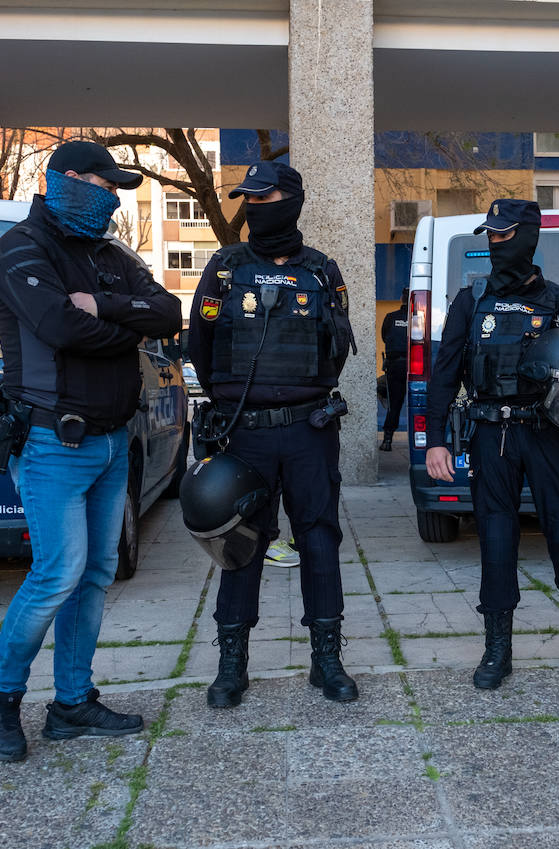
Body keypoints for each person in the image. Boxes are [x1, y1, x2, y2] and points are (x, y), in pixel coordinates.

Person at [0, 140, 183, 761]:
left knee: (95, 575)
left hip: (112, 441)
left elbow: (169, 312)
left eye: (117, 187)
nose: (112, 196)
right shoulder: (20, 250)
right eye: (103, 183)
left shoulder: (110, 255)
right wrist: (125, 324)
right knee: (57, 575)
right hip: (51, 441)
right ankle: (1, 696)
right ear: (65, 178)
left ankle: (71, 703)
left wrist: (108, 307)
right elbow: (61, 327)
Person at [424, 198, 559, 690]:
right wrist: (434, 441)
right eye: (490, 234)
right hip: (490, 434)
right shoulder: (472, 300)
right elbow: (443, 373)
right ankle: (497, 646)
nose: (495, 242)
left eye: (505, 234)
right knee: (495, 538)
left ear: (529, 236)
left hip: (546, 432)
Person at [186, 160, 358, 708]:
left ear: (291, 201)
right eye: (248, 200)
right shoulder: (225, 268)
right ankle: (231, 664)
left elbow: (336, 349)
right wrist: (233, 402)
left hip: (309, 430)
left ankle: (326, 659)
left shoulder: (323, 272)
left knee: (319, 540)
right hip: (245, 432)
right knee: (241, 545)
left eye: (264, 199)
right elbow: (201, 344)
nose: (254, 209)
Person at [379, 291, 409, 451]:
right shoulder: (419, 318)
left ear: (401, 299)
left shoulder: (391, 317)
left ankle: (387, 440)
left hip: (395, 366)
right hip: (414, 367)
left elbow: (384, 337)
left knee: (394, 405)